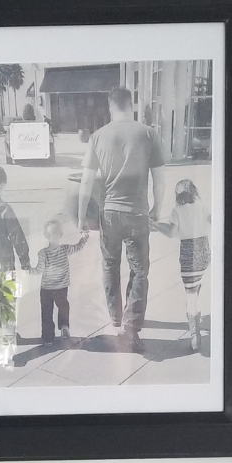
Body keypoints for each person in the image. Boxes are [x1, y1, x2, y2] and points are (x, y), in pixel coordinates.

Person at [77, 87, 166, 354]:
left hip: (110, 213)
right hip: (137, 212)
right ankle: (131, 325)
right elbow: (160, 180)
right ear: (131, 105)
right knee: (139, 270)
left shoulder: (97, 137)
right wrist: (157, 210)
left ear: (110, 107)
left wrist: (82, 215)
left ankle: (116, 317)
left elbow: (86, 182)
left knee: (110, 264)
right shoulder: (149, 133)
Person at [151, 179, 211, 352]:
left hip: (188, 255)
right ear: (194, 191)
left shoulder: (177, 211)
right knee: (197, 288)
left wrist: (155, 225)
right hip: (204, 252)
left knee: (191, 295)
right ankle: (196, 320)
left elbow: (171, 233)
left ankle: (195, 336)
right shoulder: (203, 206)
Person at [29, 220, 89, 345]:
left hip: (46, 288)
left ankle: (48, 339)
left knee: (46, 313)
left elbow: (39, 270)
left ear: (46, 236)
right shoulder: (65, 249)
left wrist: (28, 270)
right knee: (63, 307)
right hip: (61, 287)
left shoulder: (43, 253)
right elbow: (78, 246)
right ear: (61, 235)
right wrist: (84, 236)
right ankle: (64, 326)